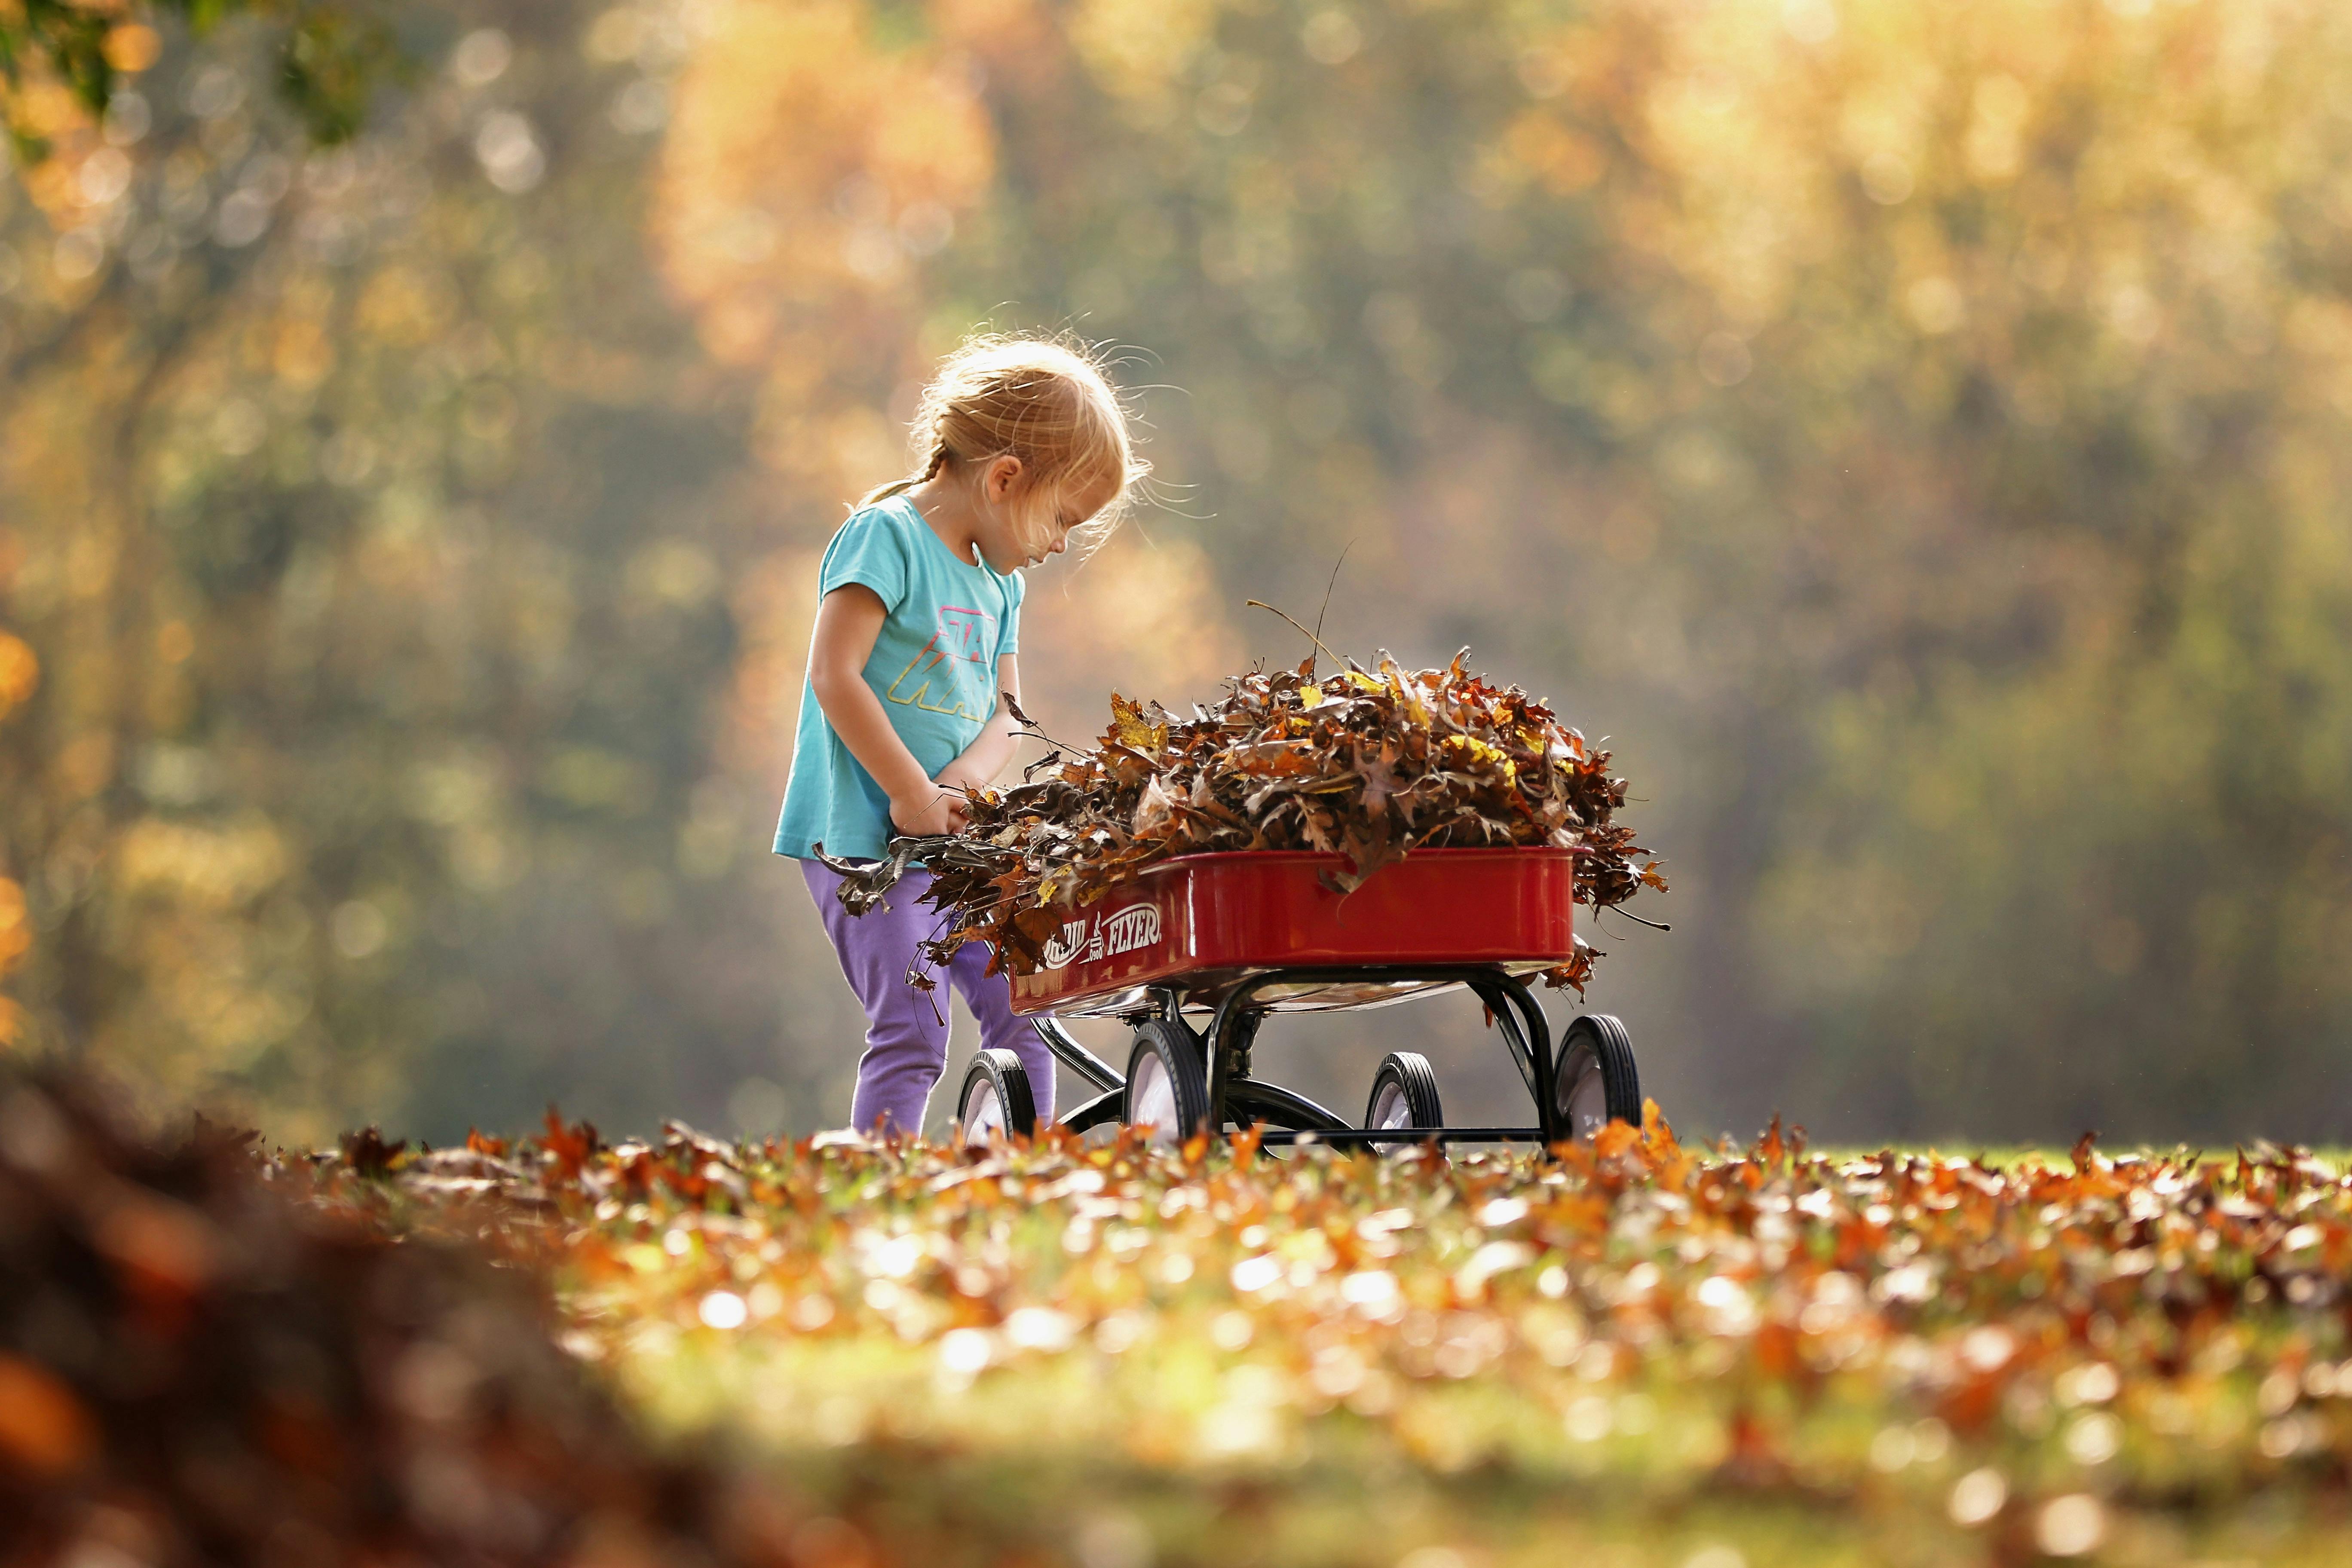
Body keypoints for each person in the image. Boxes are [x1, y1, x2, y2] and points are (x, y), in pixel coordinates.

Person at [775, 335, 1146, 1136]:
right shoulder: (887, 537)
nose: (1060, 546)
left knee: (1025, 1002)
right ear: (1006, 478)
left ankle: (1026, 1167)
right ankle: (888, 1180)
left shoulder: (1000, 583)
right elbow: (835, 675)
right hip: (861, 843)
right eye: (1063, 520)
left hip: (951, 844)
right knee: (915, 1028)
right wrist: (910, 793)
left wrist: (959, 793)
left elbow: (1007, 714)